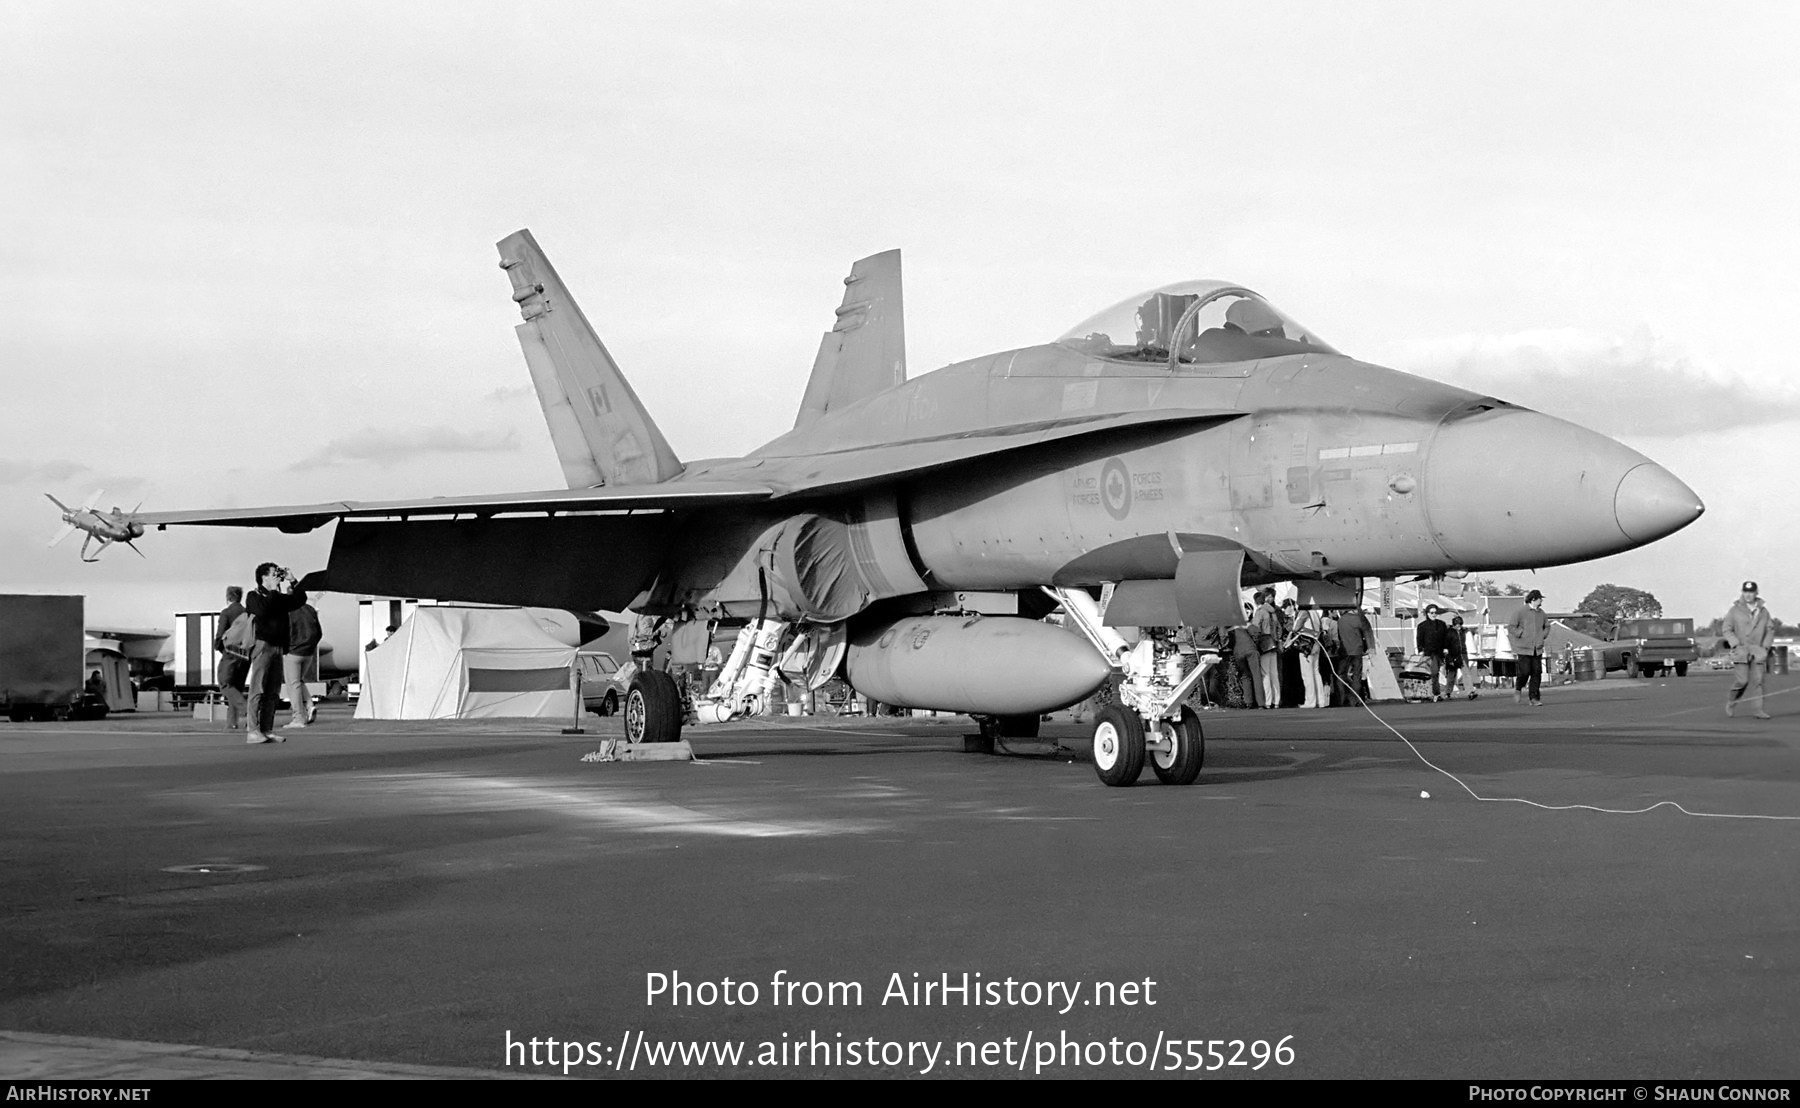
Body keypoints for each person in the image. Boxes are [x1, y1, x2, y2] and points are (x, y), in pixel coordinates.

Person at [244, 562, 308, 744]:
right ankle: (253, 731)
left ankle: (267, 729)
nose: (276, 576)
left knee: (273, 691)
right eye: (273, 573)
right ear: (264, 577)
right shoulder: (253, 596)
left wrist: (293, 581)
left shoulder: (277, 597)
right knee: (258, 689)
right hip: (262, 645)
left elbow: (299, 600)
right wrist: (272, 589)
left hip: (278, 646)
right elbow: (263, 610)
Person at [1721, 580, 1774, 719]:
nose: (1748, 595)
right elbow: (1726, 629)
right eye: (1745, 592)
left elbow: (1770, 629)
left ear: (1756, 593)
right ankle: (1732, 701)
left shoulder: (1763, 611)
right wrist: (1735, 644)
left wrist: (1765, 647)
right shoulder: (1735, 610)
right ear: (1742, 592)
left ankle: (1758, 710)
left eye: (1751, 592)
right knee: (1742, 681)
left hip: (1758, 650)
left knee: (1758, 681)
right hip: (1741, 650)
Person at [213, 585, 250, 731]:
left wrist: (218, 647)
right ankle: (231, 723)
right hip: (245, 654)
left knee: (225, 684)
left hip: (231, 653)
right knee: (237, 689)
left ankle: (249, 711)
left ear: (228, 597)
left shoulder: (226, 613)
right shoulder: (247, 613)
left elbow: (220, 634)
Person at [282, 600, 322, 730]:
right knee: (298, 681)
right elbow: (319, 632)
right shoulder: (310, 609)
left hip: (293, 651)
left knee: (293, 685)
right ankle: (310, 705)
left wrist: (285, 648)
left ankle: (298, 718)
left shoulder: (287, 611)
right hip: (308, 652)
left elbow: (283, 631)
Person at [1507, 590, 1550, 706]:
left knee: (1536, 673)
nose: (1541, 601)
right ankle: (1518, 688)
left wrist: (1543, 635)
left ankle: (1534, 698)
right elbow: (1511, 627)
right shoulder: (1520, 611)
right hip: (1523, 648)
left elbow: (1547, 626)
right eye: (1540, 599)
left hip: (1538, 648)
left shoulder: (1542, 613)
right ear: (1533, 599)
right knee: (1525, 672)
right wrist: (1521, 633)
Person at [1291, 605, 1332, 708]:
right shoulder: (1315, 612)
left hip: (1306, 646)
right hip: (1316, 643)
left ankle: (1310, 701)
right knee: (1316, 673)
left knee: (1307, 674)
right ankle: (1320, 700)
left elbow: (1295, 627)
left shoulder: (1304, 612)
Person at [1334, 604, 1373, 704]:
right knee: (1356, 675)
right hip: (1357, 650)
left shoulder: (1341, 620)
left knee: (1341, 674)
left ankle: (1341, 699)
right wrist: (1370, 647)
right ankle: (1354, 700)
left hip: (1344, 650)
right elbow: (1367, 632)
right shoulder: (1358, 619)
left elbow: (1338, 636)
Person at [1250, 590, 1283, 709]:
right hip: (1274, 643)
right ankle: (1277, 701)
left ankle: (1268, 701)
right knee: (1274, 673)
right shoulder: (1273, 612)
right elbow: (1279, 628)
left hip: (1264, 643)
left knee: (1265, 673)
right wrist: (1277, 639)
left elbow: (1255, 628)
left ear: (1255, 601)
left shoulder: (1260, 612)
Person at [1229, 603, 1262, 709]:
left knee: (1244, 676)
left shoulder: (1230, 626)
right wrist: (1255, 642)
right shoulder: (1245, 623)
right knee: (1256, 675)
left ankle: (1248, 702)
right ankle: (1261, 703)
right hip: (1251, 649)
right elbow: (1256, 631)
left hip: (1237, 652)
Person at [1416, 605, 1450, 701]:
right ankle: (1434, 693)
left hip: (1439, 652)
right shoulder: (1422, 626)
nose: (1434, 614)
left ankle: (1434, 693)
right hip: (1428, 652)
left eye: (1435, 612)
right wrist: (1420, 650)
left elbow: (1445, 637)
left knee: (1436, 673)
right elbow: (1419, 639)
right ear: (1427, 613)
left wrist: (1446, 647)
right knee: (1432, 672)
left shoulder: (1441, 624)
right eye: (1432, 612)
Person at [1445, 614, 1470, 699]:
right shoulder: (1449, 632)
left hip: (1462, 654)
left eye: (1459, 625)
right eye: (1457, 625)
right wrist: (1449, 657)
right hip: (1453, 654)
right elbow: (1447, 645)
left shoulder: (1462, 631)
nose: (1458, 627)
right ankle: (1448, 691)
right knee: (1452, 674)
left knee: (1466, 673)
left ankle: (1470, 691)